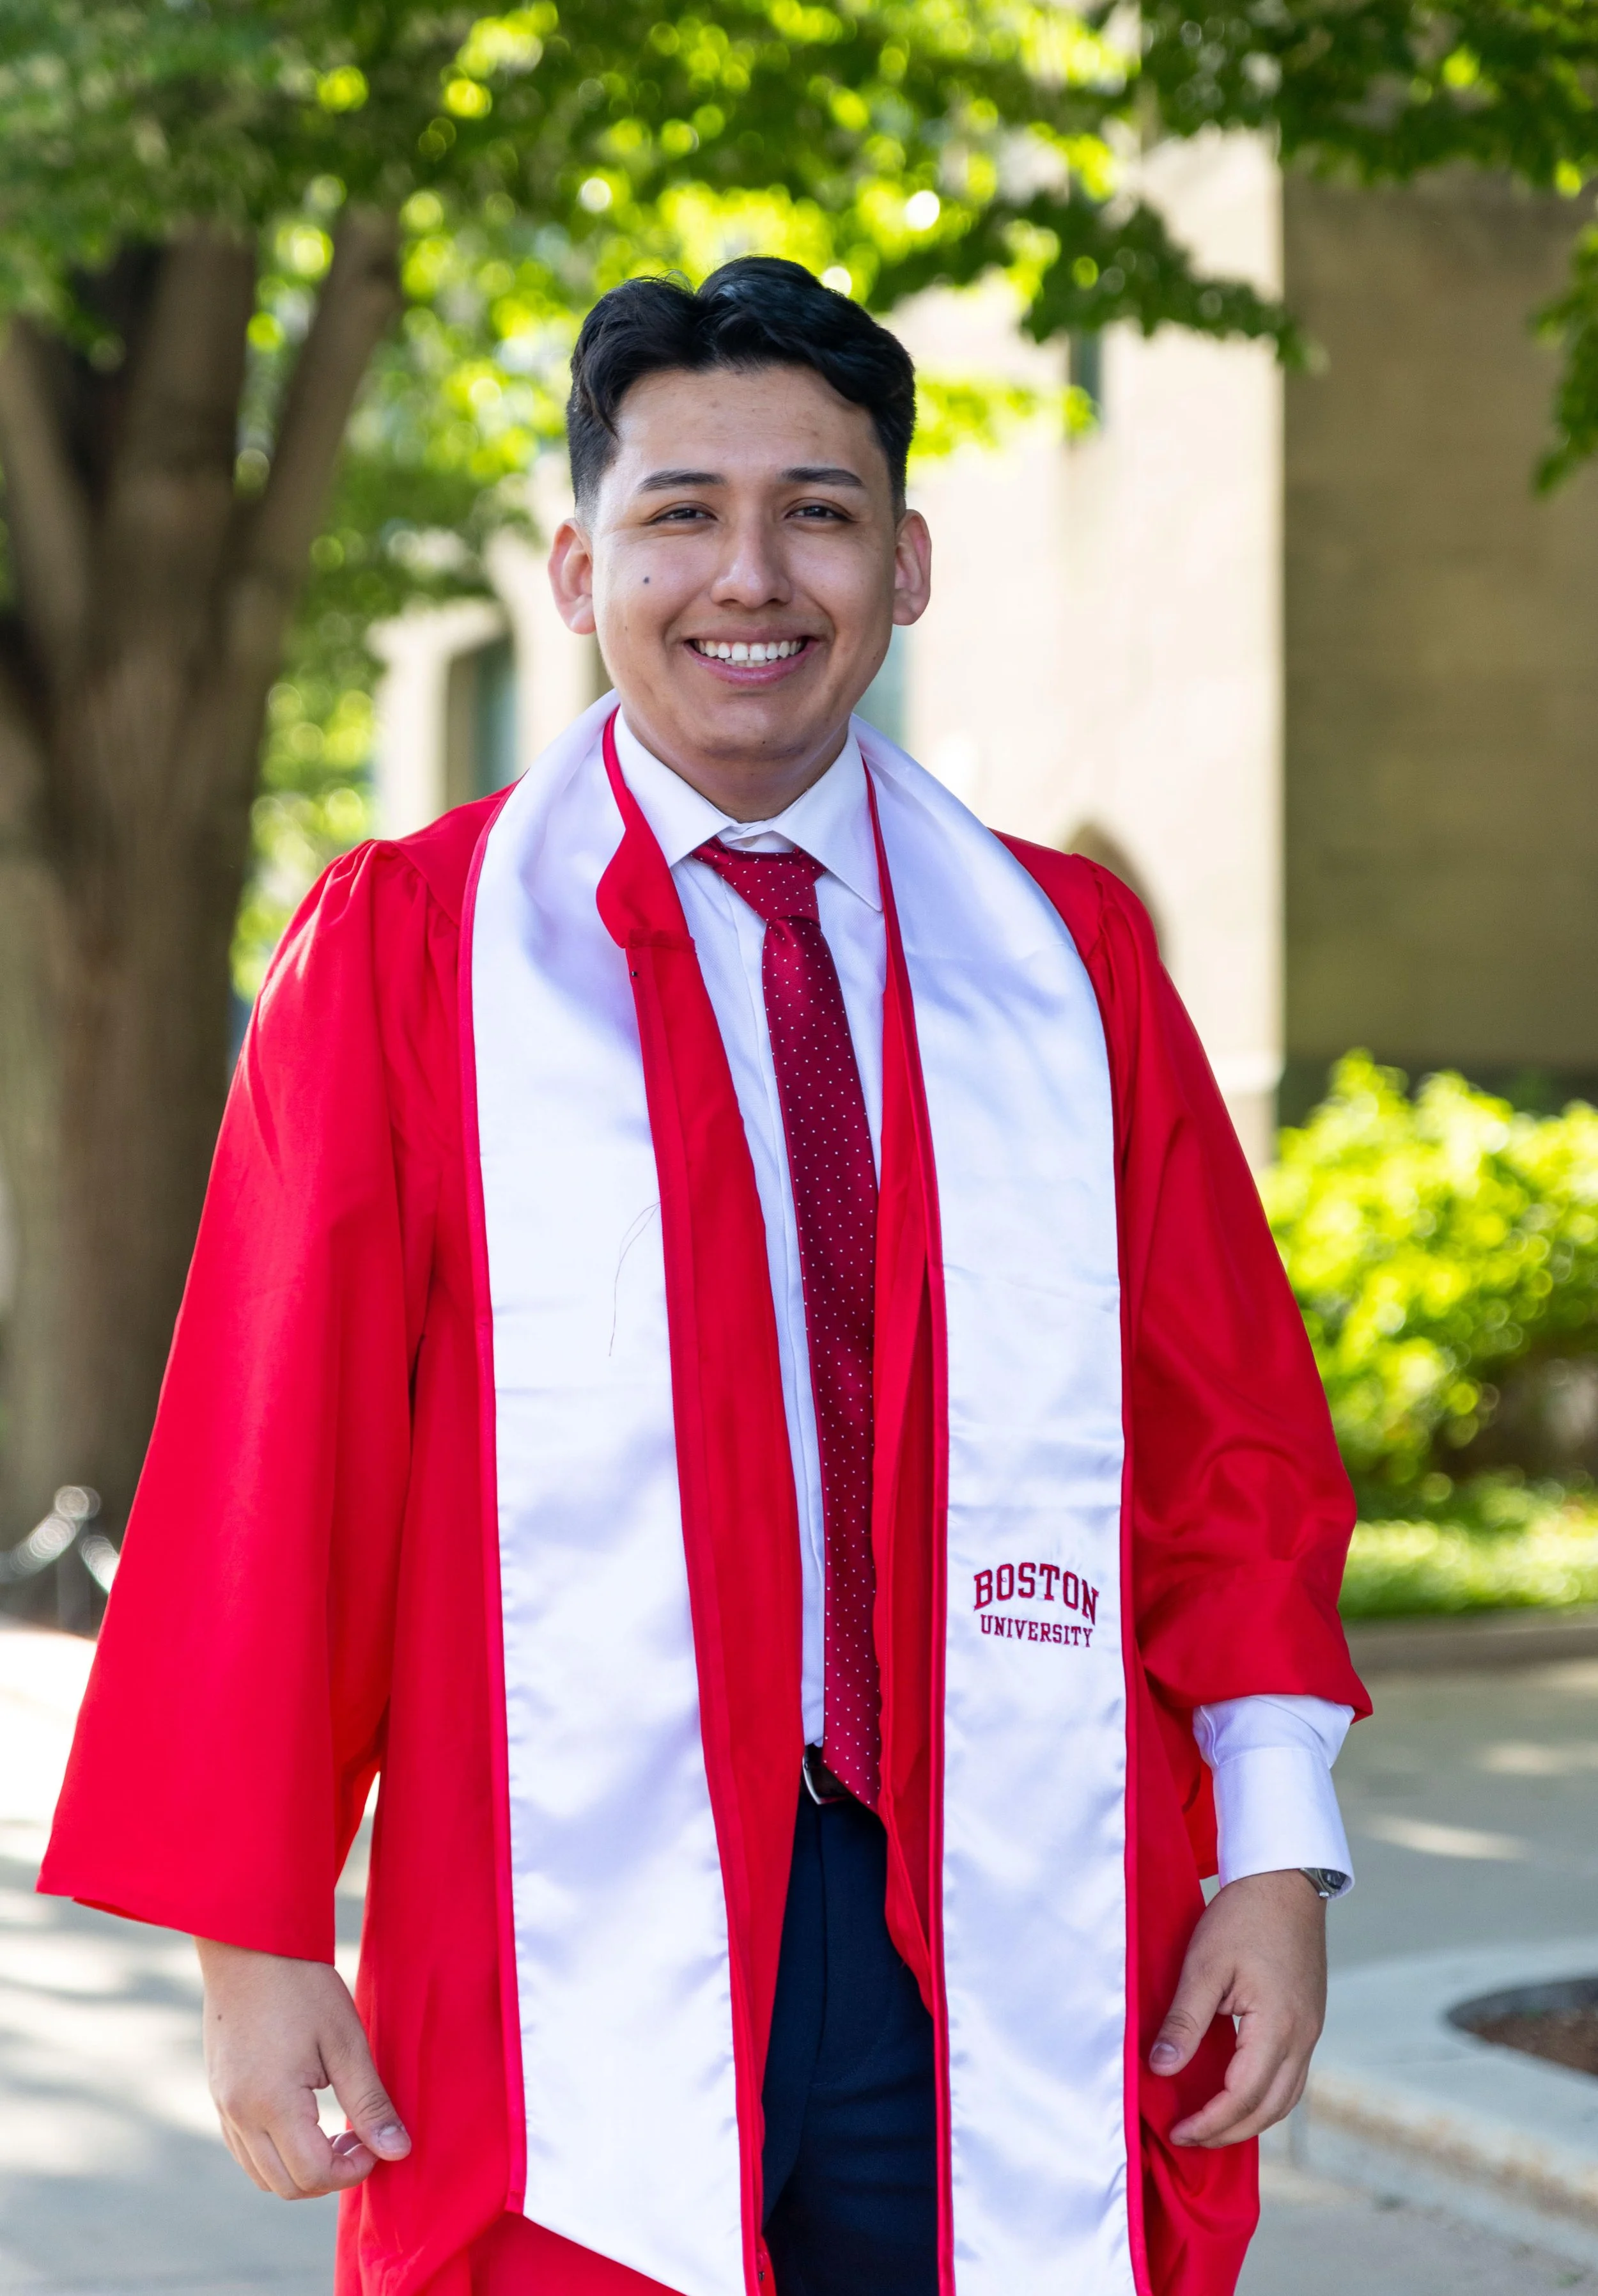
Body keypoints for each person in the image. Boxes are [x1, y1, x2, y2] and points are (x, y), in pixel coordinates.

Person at [42, 258, 1368, 2296]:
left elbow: (1227, 1439)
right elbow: (272, 1463)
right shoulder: (411, 958)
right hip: (565, 1914)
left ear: (905, 563)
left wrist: (1270, 1853)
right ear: (577, 564)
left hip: (1002, 1901)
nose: (748, 574)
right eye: (679, 511)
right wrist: (260, 1949)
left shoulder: (1061, 963)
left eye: (817, 510)